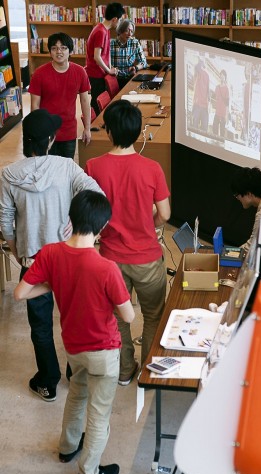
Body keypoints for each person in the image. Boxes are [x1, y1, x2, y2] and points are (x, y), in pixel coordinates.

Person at [14, 190, 135, 474]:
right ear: (102, 226)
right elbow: (130, 316)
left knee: (77, 395)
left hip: (73, 347)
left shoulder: (51, 253)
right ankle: (88, 473)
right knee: (99, 412)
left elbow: (20, 293)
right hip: (104, 352)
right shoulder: (106, 268)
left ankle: (68, 447)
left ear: (71, 218)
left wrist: (54, 283)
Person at [0, 109, 103, 402]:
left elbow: (5, 222)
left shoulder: (7, 176)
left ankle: (47, 381)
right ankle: (75, 373)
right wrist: (82, 223)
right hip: (70, 258)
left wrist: (17, 250)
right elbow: (97, 195)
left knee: (41, 325)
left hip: (34, 261)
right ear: (52, 140)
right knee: (74, 319)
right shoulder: (66, 167)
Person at [85, 99, 170, 385]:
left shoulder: (93, 166)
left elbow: (92, 214)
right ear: (138, 132)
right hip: (146, 257)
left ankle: (124, 370)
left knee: (117, 319)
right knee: (153, 316)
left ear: (108, 132)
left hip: (110, 258)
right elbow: (165, 214)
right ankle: (147, 371)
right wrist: (149, 225)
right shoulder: (152, 168)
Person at [29, 32, 91, 160]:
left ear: (70, 51)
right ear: (50, 52)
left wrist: (87, 128)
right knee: (47, 171)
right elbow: (34, 105)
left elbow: (85, 101)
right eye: (54, 48)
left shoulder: (80, 72)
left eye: (63, 48)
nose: (59, 52)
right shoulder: (39, 74)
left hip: (69, 131)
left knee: (66, 170)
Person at [85, 2, 125, 116]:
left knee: (102, 99)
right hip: (96, 73)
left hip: (101, 71)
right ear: (114, 19)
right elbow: (97, 57)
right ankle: (93, 126)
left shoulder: (104, 29)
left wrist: (110, 67)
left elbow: (106, 53)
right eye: (120, 20)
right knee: (97, 101)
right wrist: (109, 70)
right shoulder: (100, 31)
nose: (120, 23)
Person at [110, 18, 148, 89]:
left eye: (132, 31)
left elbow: (144, 62)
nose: (130, 34)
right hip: (115, 79)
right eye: (127, 30)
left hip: (130, 79)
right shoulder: (111, 44)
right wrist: (112, 69)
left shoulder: (135, 42)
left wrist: (136, 67)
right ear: (120, 30)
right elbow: (106, 64)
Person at [192, 59, 210, 132]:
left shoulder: (201, 73)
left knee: (195, 128)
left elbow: (208, 91)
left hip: (201, 106)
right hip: (199, 105)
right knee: (202, 130)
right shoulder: (199, 73)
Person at [212, 69, 229, 138]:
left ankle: (221, 145)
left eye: (223, 76)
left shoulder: (226, 89)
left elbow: (227, 104)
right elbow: (213, 99)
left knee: (222, 133)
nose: (221, 77)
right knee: (214, 129)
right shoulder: (217, 87)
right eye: (220, 76)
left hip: (223, 114)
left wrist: (226, 116)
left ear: (225, 78)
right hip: (217, 113)